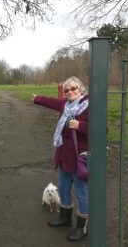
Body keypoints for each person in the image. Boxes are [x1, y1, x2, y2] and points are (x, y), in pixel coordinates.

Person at [32, 76, 88, 242]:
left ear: (81, 89)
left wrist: (80, 126)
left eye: (73, 89)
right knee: (63, 189)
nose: (70, 92)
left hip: (79, 160)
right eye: (67, 90)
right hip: (64, 157)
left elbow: (101, 130)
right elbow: (51, 102)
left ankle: (82, 227)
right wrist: (36, 98)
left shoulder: (89, 106)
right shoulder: (65, 105)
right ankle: (65, 218)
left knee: (82, 194)